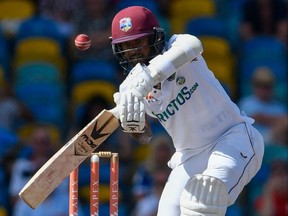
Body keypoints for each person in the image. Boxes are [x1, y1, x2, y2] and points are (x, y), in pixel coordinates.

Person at [109, 6, 265, 215]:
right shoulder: (129, 88)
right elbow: (144, 137)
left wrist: (149, 77)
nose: (132, 50)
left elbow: (194, 45)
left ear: (154, 37)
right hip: (189, 156)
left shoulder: (177, 45)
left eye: (138, 42)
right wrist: (133, 125)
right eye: (126, 46)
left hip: (232, 138)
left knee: (203, 201)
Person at [238, 67, 288, 145]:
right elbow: (258, 117)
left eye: (266, 86)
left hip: (276, 142)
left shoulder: (279, 107)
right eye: (258, 85)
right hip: (254, 143)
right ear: (253, 86)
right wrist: (281, 120)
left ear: (273, 87)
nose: (262, 89)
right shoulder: (246, 103)